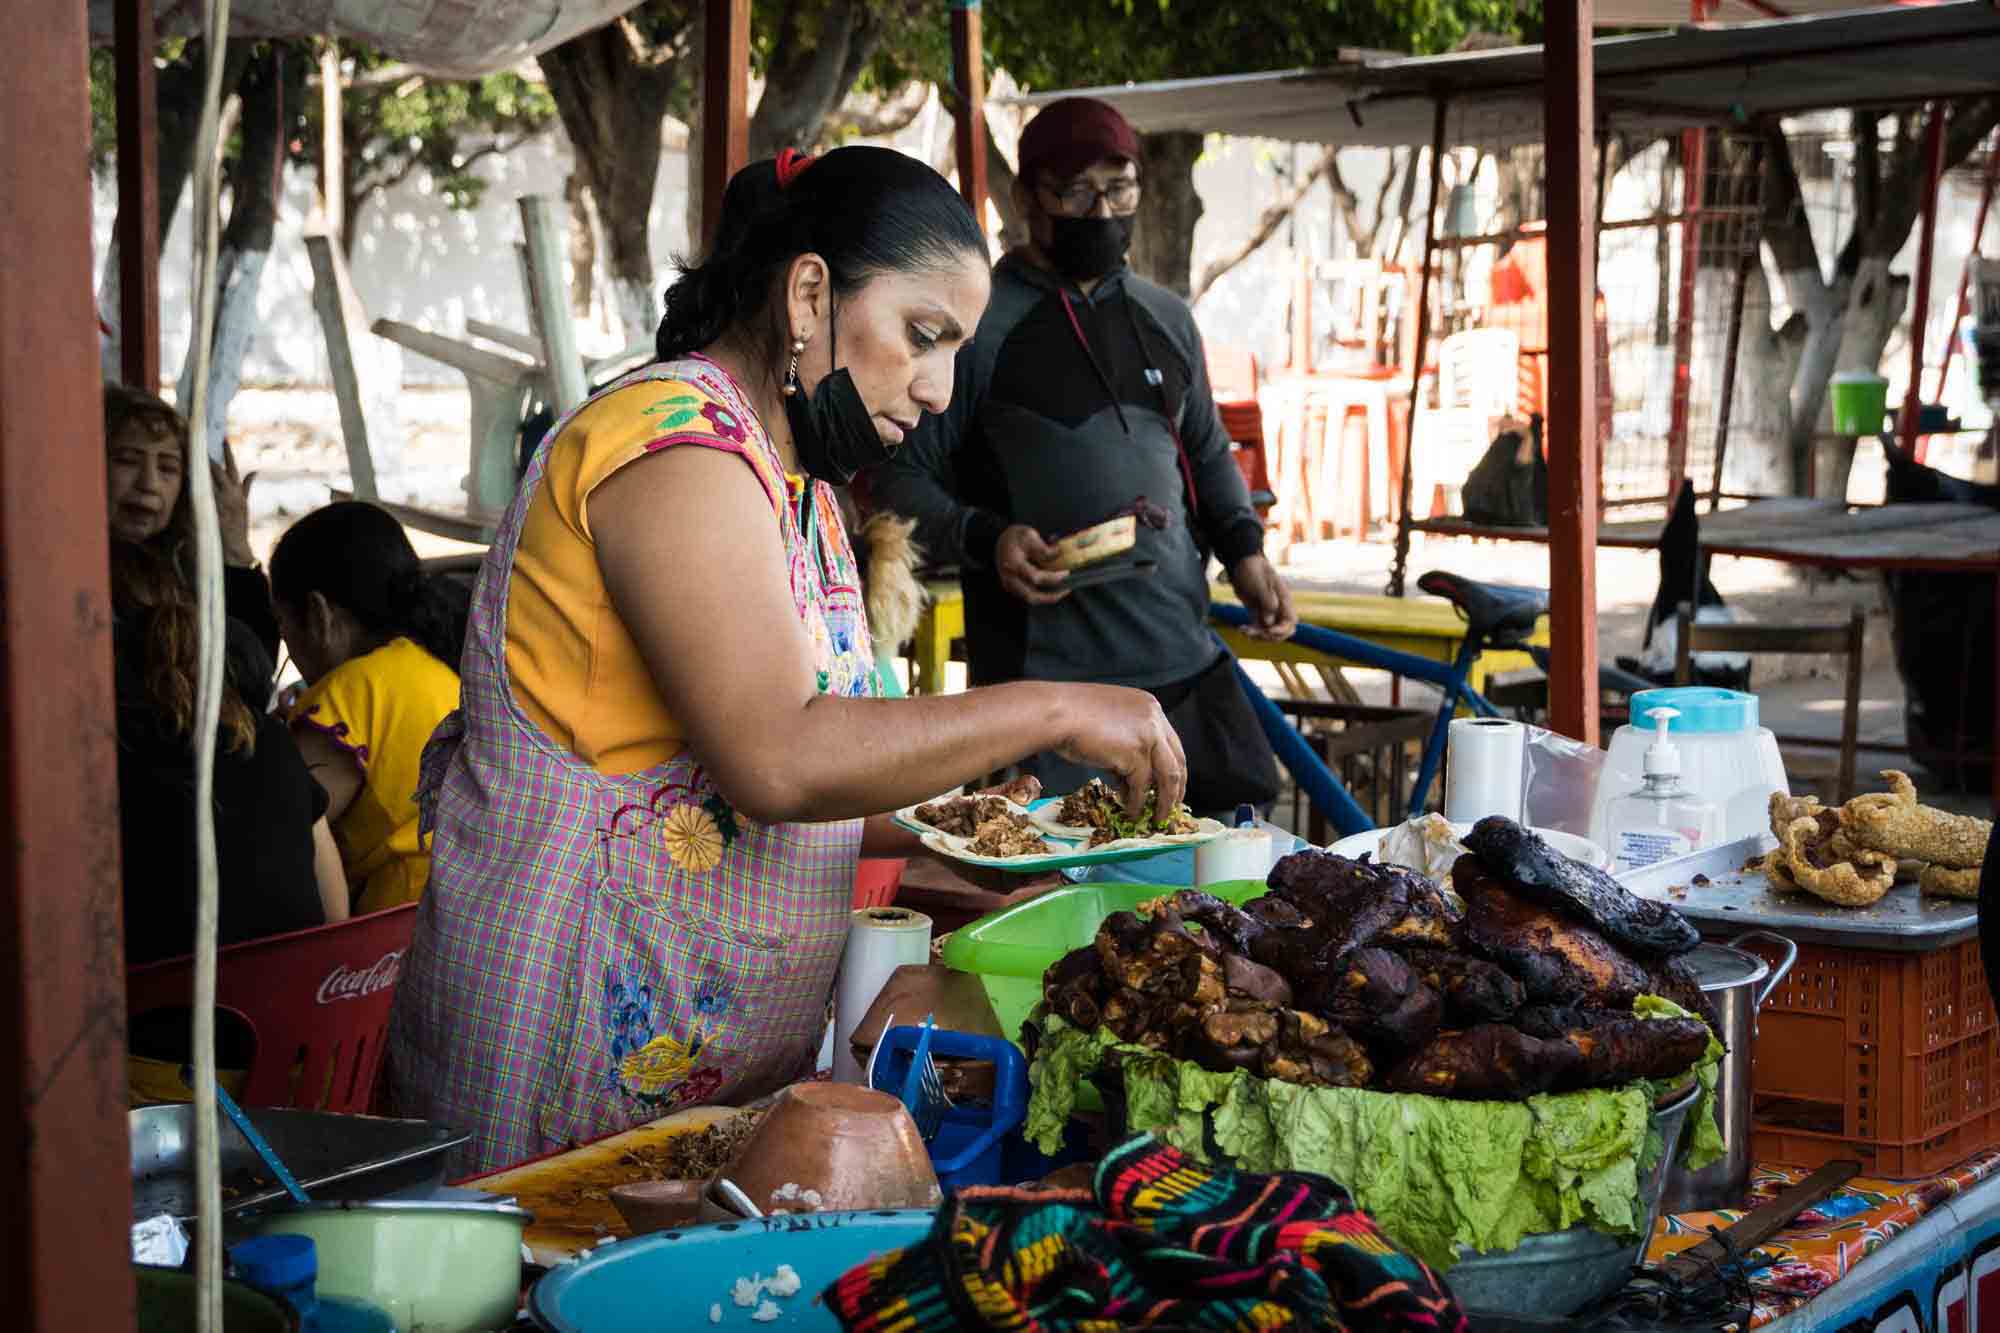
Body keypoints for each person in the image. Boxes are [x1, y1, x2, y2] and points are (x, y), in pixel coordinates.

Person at [386, 145, 1185, 1174]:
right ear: (808, 292)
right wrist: (1050, 708)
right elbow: (776, 757)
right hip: (564, 1052)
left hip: (697, 1073)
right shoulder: (672, 445)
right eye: (921, 336)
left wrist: (971, 829)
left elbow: (792, 774)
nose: (939, 390)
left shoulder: (797, 487)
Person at [864, 98, 1298, 817]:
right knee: (1065, 900)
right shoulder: (979, 326)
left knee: (1213, 899)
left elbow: (1207, 450)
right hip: (1047, 701)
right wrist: (985, 537)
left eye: (1119, 188)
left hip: (1184, 672)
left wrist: (1246, 550)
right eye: (1074, 191)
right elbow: (891, 477)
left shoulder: (1167, 317)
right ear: (1025, 197)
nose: (1101, 211)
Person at [111, 539, 347, 967]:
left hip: (165, 1023)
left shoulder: (103, 759)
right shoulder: (267, 739)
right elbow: (335, 916)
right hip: (298, 1019)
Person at [270, 501, 468, 916]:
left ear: (318, 614)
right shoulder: (441, 664)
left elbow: (282, 836)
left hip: (389, 943)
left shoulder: (352, 692)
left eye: (283, 626)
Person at [104, 384, 278, 666]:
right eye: (127, 461)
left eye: (167, 467)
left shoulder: (185, 564)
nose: (149, 484)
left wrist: (235, 548)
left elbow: (254, 669)